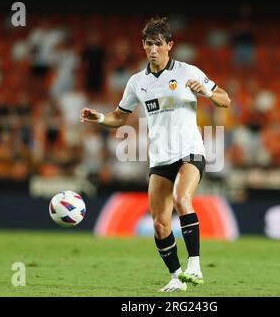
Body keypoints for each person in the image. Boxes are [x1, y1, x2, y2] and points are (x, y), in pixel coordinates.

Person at [80, 16, 230, 292]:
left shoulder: (188, 72)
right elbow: (119, 117)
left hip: (189, 151)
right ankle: (176, 277)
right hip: (160, 158)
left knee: (182, 199)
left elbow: (225, 99)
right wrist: (99, 117)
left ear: (169, 45)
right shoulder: (137, 82)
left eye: (158, 44)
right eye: (148, 44)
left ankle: (194, 266)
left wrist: (207, 92)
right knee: (160, 224)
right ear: (143, 45)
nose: (152, 49)